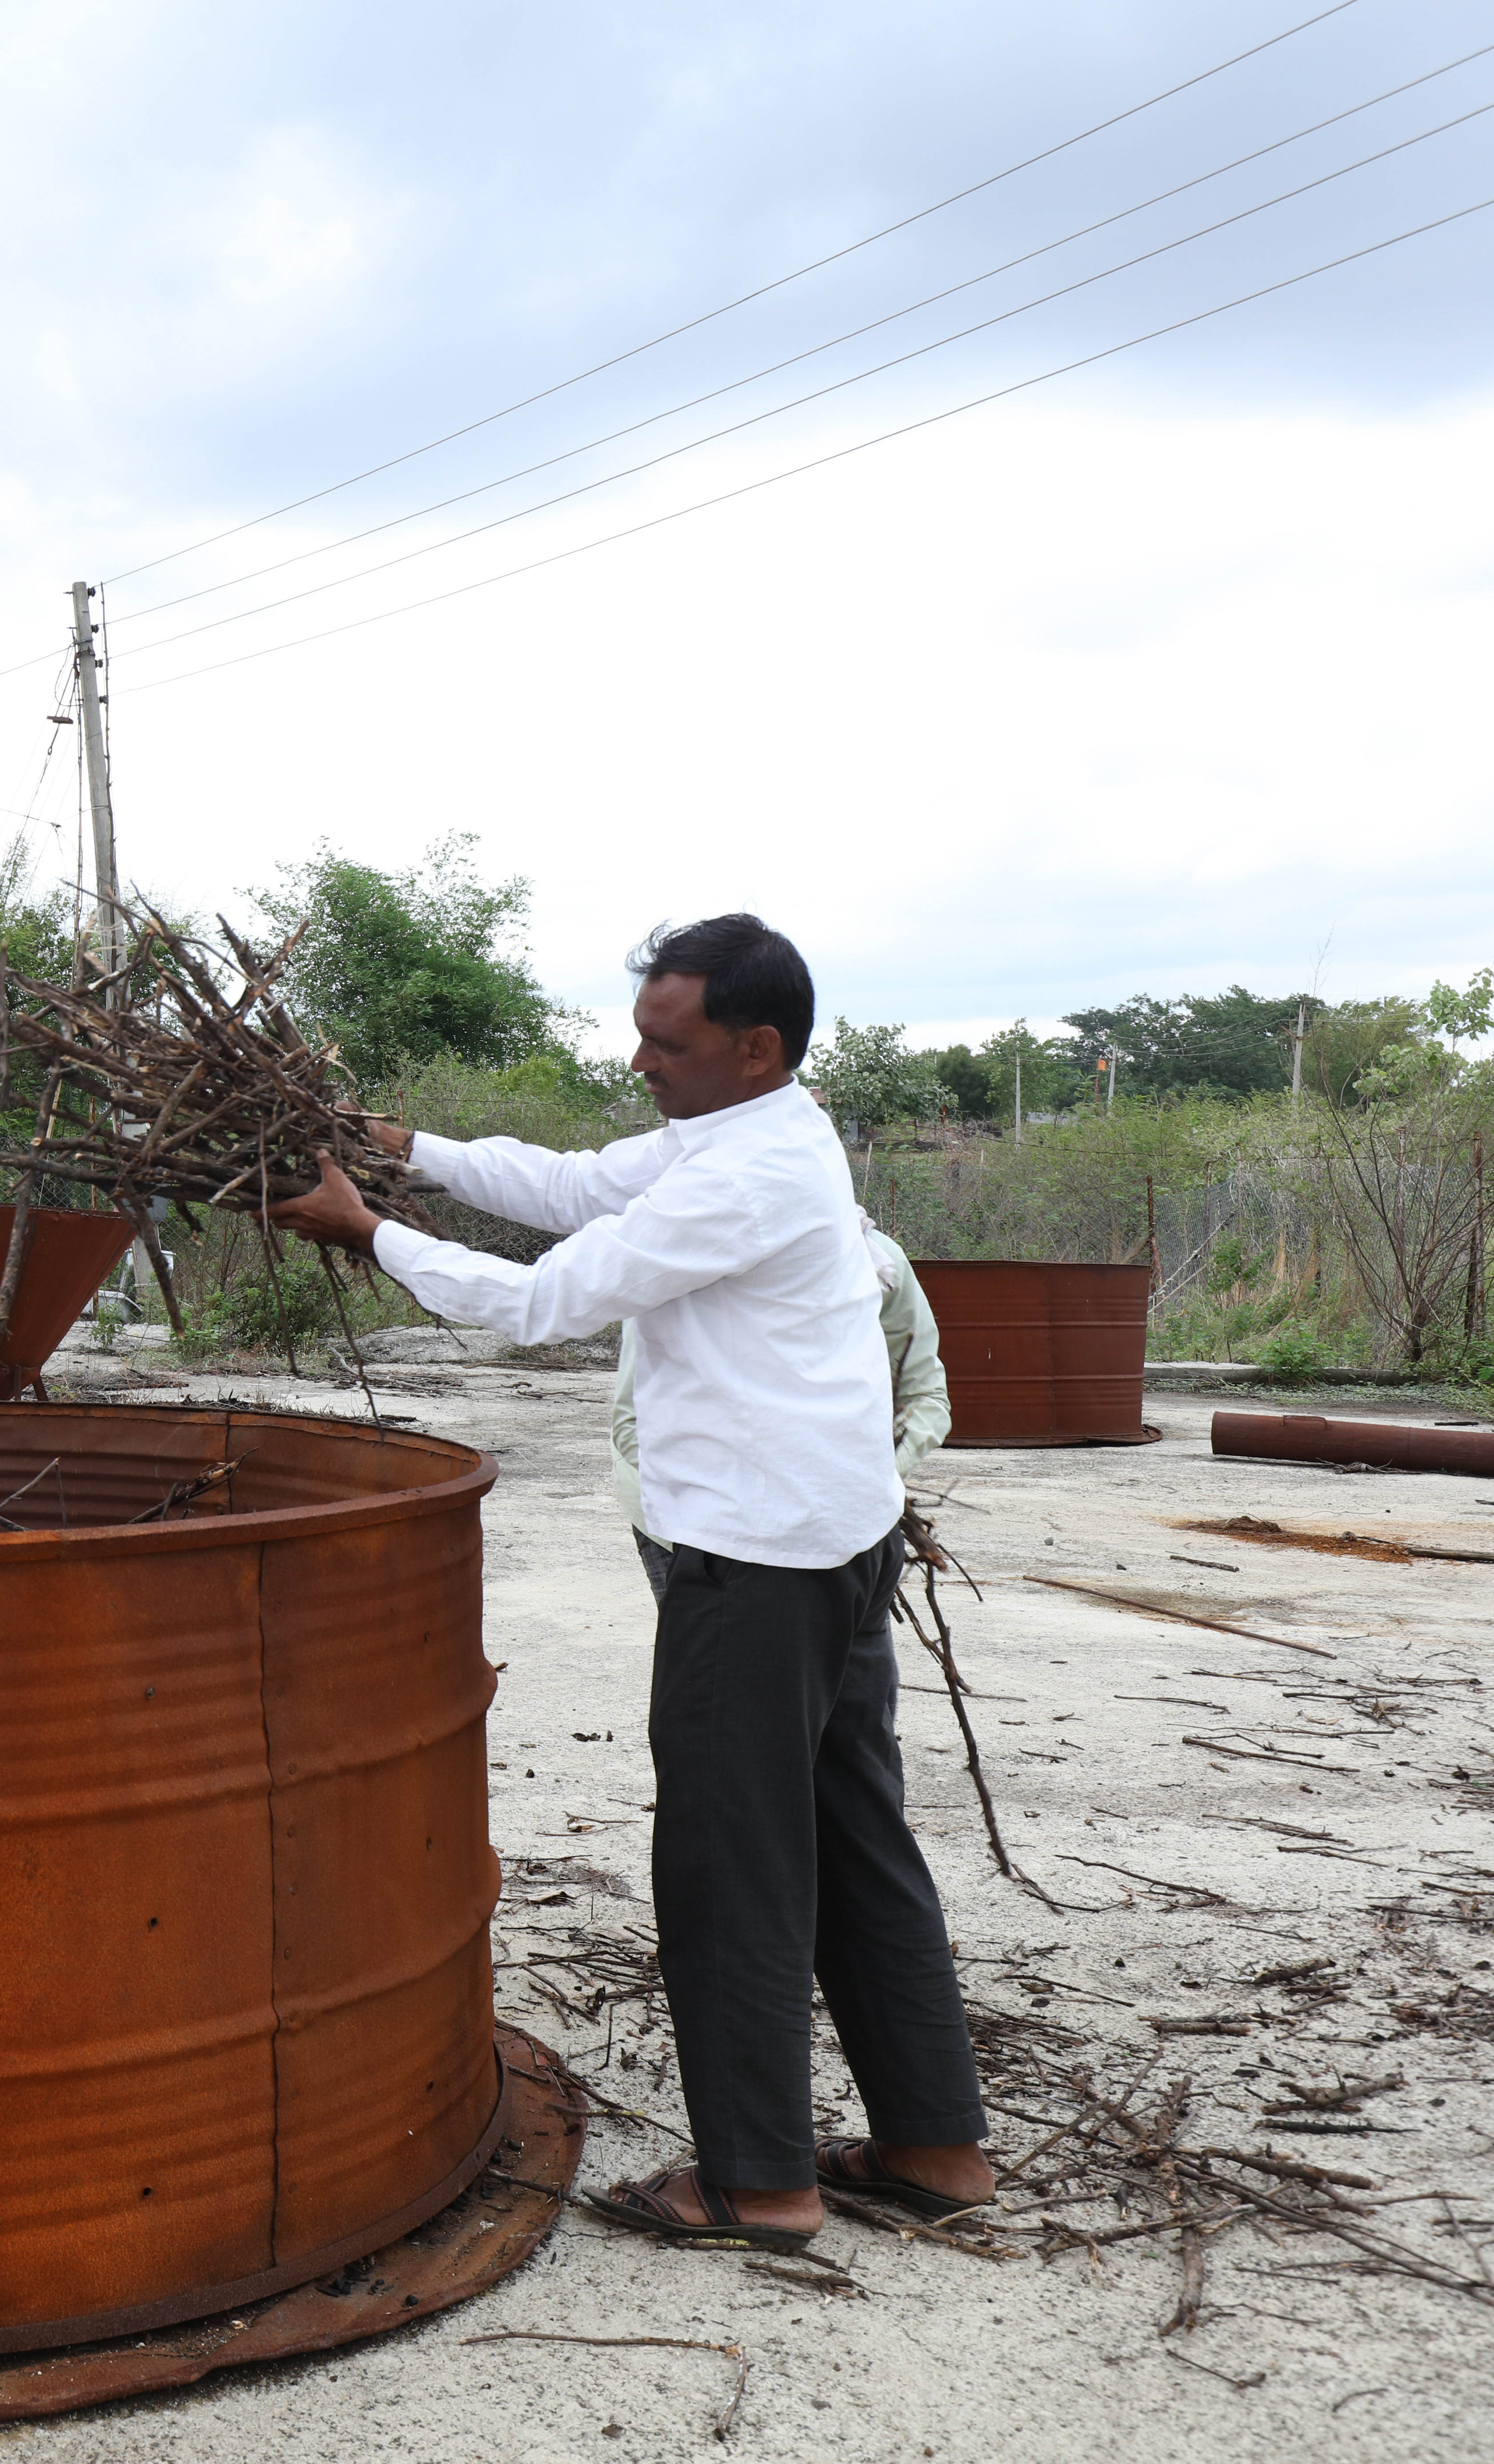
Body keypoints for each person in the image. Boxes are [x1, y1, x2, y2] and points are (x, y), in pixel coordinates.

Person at [269, 913, 992, 2254]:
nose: (641, 1060)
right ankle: (933, 2146)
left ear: (752, 1043)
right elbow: (566, 1185)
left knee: (733, 1861)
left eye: (668, 1041)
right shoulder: (755, 1134)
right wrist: (401, 1149)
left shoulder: (740, 1178)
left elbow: (548, 1298)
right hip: (835, 1541)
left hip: (759, 1567)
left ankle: (759, 2181)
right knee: (852, 1840)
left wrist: (372, 1235)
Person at [611, 1209, 945, 1605]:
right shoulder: (686, 1263)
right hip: (690, 1525)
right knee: (714, 1662)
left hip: (836, 1528)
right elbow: (635, 1426)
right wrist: (753, 1505)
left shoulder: (876, 1260)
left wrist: (859, 1478)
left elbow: (925, 1398)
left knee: (843, 1663)